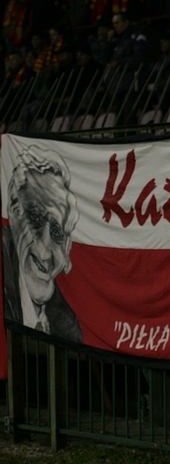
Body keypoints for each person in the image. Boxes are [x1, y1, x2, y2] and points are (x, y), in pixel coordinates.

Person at [3, 146, 82, 342]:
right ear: (13, 209)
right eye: (35, 218)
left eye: (57, 232)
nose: (45, 253)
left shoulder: (68, 326)